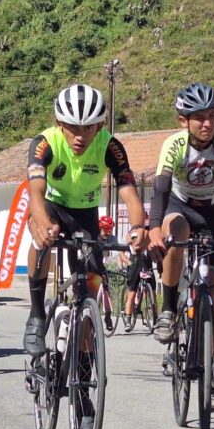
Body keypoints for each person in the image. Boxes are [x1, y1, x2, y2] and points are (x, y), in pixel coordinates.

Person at [24, 83, 146, 358]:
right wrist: (42, 224)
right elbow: (35, 192)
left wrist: (138, 227)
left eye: (88, 128)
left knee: (89, 290)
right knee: (41, 240)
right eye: (72, 128)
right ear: (59, 123)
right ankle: (36, 315)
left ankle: (84, 361)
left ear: (100, 125)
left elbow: (129, 192)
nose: (80, 136)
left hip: (85, 213)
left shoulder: (110, 146)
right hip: (51, 207)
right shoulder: (44, 143)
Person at [147, 82, 214, 411]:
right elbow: (160, 187)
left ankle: (212, 373)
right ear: (183, 120)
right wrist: (154, 228)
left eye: (212, 116)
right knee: (176, 232)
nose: (207, 123)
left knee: (211, 291)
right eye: (199, 117)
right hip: (181, 206)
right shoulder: (174, 144)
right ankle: (168, 309)